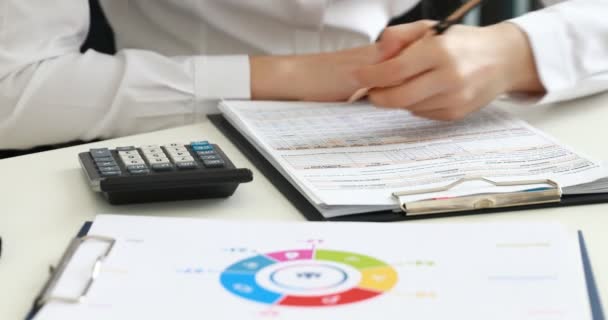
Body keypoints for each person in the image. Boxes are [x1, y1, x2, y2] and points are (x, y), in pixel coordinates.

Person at [0, 1, 605, 150]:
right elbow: (12, 86)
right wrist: (291, 76)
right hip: (175, 134)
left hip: (424, 133)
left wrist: (519, 51)